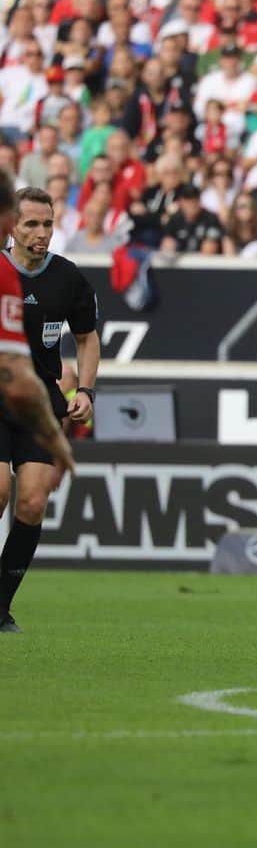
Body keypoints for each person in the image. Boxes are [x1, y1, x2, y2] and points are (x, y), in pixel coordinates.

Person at [0, 187, 93, 633]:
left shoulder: (69, 278)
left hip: (38, 405)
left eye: (48, 224)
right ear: (11, 227)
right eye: (30, 224)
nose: (41, 233)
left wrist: (88, 389)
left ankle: (1, 606)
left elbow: (87, 337)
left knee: (33, 500)